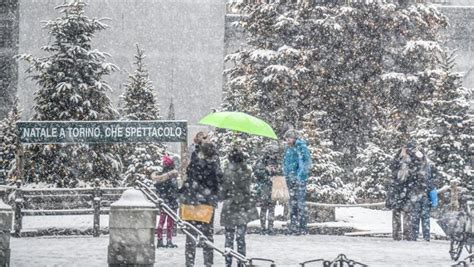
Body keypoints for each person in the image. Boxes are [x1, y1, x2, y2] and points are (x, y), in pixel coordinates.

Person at [181, 142, 221, 267]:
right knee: (207, 236)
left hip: (192, 204)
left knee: (190, 236)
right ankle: (208, 263)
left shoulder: (193, 165)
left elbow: (187, 182)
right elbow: (216, 185)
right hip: (206, 205)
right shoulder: (213, 166)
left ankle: (189, 262)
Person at [220, 148, 259, 267]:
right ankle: (241, 261)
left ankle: (228, 262)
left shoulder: (227, 172)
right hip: (243, 207)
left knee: (229, 237)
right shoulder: (247, 171)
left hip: (229, 207)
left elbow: (223, 192)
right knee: (241, 238)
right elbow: (246, 189)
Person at [386, 141, 419, 241]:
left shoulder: (414, 159)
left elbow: (417, 169)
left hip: (408, 189)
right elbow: (392, 167)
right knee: (396, 212)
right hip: (397, 189)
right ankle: (396, 234)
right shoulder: (398, 158)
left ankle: (407, 234)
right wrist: (400, 157)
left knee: (407, 212)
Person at [282, 129, 312, 235]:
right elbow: (285, 162)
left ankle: (302, 227)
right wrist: (285, 174)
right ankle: (293, 226)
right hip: (290, 179)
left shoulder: (301, 147)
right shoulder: (288, 148)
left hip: (299, 180)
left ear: (294, 138)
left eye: (289, 138)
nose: (288, 140)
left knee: (300, 204)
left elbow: (306, 162)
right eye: (287, 138)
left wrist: (300, 177)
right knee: (292, 204)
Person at [151, 155, 179, 248]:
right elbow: (175, 190)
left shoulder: (161, 177)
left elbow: (158, 187)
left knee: (161, 222)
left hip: (164, 202)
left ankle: (159, 240)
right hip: (172, 202)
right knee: (170, 223)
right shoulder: (172, 176)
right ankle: (169, 240)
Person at [410, 149, 437, 241]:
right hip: (422, 195)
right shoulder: (427, 166)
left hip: (419, 195)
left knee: (417, 217)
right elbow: (431, 182)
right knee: (421, 217)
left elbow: (431, 182)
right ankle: (424, 236)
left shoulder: (417, 167)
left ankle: (417, 235)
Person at [253, 143, 280, 235]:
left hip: (273, 186)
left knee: (272, 208)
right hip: (264, 187)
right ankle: (263, 227)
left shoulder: (276, 161)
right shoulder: (261, 161)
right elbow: (257, 172)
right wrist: (266, 171)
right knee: (264, 208)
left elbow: (281, 172)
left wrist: (275, 171)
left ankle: (270, 227)